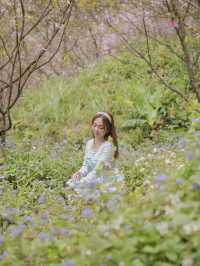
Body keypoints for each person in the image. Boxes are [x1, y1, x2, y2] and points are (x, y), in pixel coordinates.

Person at [66, 112, 124, 199]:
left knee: (82, 191)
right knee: (71, 183)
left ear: (107, 130)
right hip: (91, 177)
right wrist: (80, 173)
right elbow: (86, 165)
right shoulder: (89, 143)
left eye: (101, 127)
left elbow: (98, 171)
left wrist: (82, 182)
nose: (96, 129)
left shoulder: (107, 147)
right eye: (94, 125)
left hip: (102, 179)